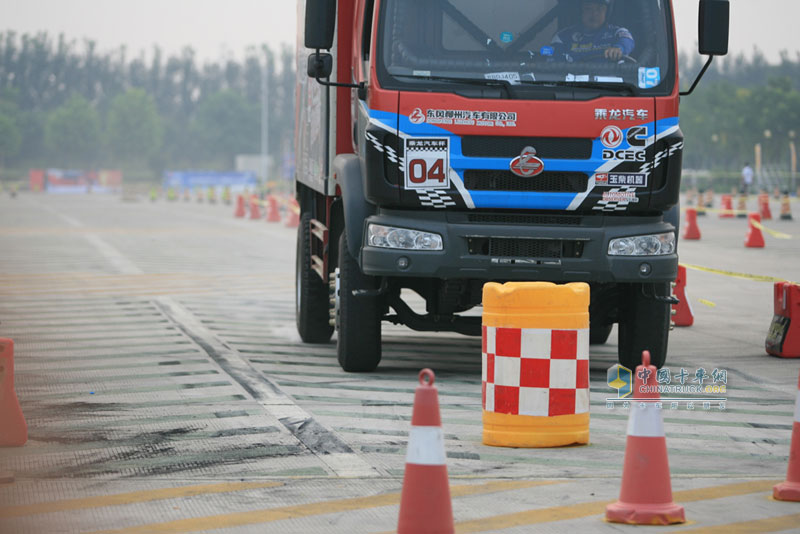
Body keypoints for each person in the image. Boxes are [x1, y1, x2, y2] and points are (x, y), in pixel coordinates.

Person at [551, 0, 635, 62]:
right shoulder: (562, 37)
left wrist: (618, 49)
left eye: (600, 9)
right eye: (588, 8)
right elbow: (554, 65)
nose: (594, 13)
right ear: (580, 11)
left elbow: (627, 40)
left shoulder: (617, 32)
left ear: (607, 12)